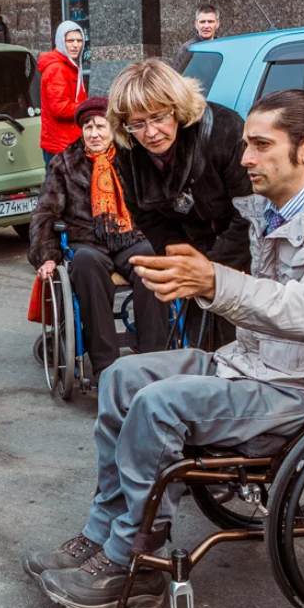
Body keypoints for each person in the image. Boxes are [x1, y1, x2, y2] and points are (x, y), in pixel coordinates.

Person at [23, 89, 304, 608]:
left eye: (260, 145)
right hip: (260, 364)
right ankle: (101, 530)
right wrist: (199, 276)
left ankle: (133, 557)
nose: (244, 158)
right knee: (121, 377)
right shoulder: (274, 206)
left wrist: (215, 281)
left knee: (161, 405)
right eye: (245, 144)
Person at [110, 58, 253, 349]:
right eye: (137, 123)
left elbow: (250, 212)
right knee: (202, 348)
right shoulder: (129, 150)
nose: (150, 133)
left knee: (240, 347)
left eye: (159, 117)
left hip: (244, 256)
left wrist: (211, 270)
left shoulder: (224, 130)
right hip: (193, 251)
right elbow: (146, 215)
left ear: (176, 108)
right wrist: (182, 264)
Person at [29, 96, 169, 373]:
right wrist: (47, 255)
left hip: (129, 239)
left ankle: (156, 359)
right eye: (88, 127)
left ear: (113, 129)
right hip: (87, 243)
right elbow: (45, 212)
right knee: (85, 264)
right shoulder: (65, 163)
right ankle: (107, 366)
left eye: (101, 127)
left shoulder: (133, 158)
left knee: (151, 261)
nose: (94, 134)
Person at [39, 21, 88, 168]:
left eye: (79, 41)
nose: (75, 45)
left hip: (67, 142)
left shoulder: (69, 65)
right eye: (70, 41)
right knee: (59, 189)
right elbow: (60, 109)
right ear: (61, 42)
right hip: (61, 145)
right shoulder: (58, 69)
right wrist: (87, 108)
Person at [171, 4, 222, 72]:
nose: (206, 26)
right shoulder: (187, 49)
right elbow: (177, 78)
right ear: (196, 24)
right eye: (202, 22)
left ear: (217, 24)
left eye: (210, 22)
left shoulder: (222, 47)